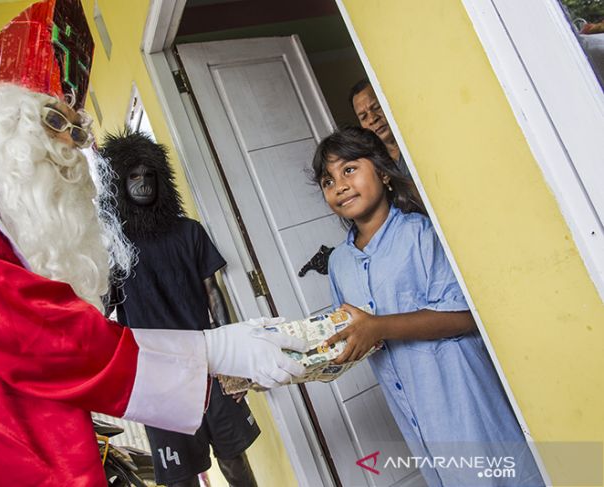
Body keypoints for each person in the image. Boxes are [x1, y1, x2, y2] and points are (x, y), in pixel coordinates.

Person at [0, 1, 306, 485]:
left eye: (79, 131)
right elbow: (41, 339)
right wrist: (213, 349)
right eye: (58, 124)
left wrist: (217, 344)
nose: (72, 151)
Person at [311, 126, 544, 486]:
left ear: (384, 173)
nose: (339, 185)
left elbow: (465, 317)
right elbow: (349, 334)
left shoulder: (420, 234)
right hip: (415, 416)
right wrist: (291, 360)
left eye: (349, 169)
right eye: (327, 180)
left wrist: (379, 326)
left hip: (460, 397)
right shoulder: (340, 263)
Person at [101, 129, 261, 487]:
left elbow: (214, 296)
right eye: (133, 177)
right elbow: (102, 310)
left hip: (208, 362)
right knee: (180, 476)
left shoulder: (189, 232)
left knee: (234, 458)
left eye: (149, 176)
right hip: (155, 374)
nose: (142, 184)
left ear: (162, 181)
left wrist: (233, 363)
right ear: (120, 184)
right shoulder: (115, 246)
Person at [349, 79, 410, 177]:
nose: (372, 119)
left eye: (377, 107)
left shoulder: (416, 139)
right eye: (364, 117)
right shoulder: (374, 166)